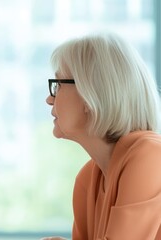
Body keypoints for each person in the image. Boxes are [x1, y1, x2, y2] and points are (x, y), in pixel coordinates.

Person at [44, 32, 161, 239]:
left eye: (59, 84)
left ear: (91, 93)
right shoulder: (87, 179)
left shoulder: (151, 156)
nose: (49, 99)